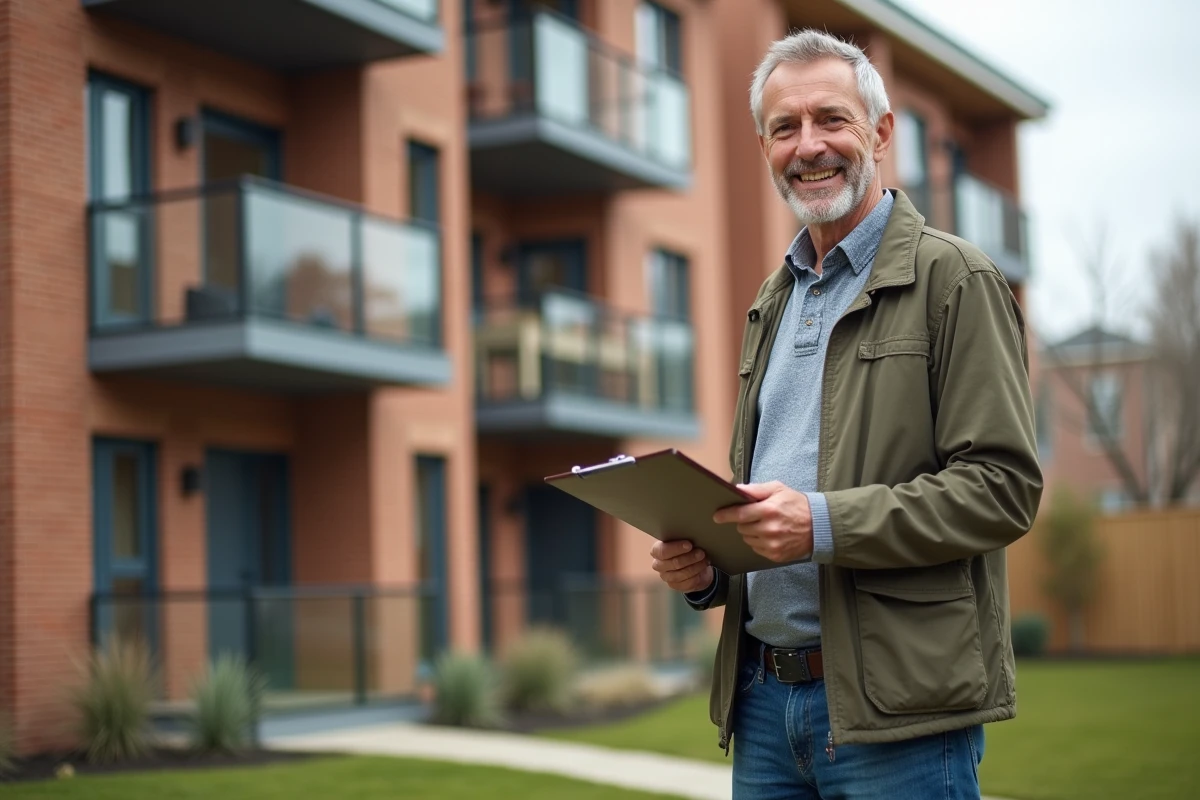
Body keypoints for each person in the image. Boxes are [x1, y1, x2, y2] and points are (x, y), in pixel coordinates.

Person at [649, 29, 1042, 800]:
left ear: (881, 132)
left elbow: (1003, 487)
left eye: (831, 118)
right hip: (764, 708)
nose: (809, 146)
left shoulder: (954, 280)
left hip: (899, 718)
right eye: (784, 127)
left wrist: (821, 523)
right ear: (763, 145)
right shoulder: (773, 299)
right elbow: (776, 499)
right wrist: (708, 571)